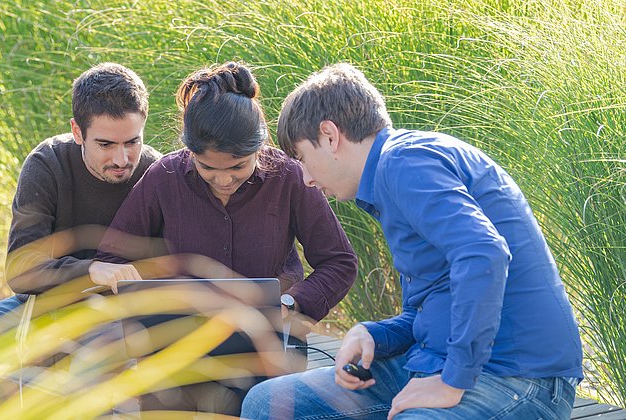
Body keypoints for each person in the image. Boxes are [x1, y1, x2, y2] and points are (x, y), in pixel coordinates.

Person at [241, 63, 583, 419]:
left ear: (329, 135)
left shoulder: (404, 162)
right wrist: (376, 334)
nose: (307, 179)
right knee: (265, 404)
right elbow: (437, 303)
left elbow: (484, 253)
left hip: (516, 377)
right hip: (437, 360)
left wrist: (453, 381)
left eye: (303, 159)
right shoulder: (394, 174)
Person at [95, 61, 358, 415]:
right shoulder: (163, 178)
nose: (223, 180)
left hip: (270, 354)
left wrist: (293, 306)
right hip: (176, 360)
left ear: (259, 147)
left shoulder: (289, 177)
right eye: (208, 169)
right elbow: (111, 259)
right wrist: (135, 290)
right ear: (189, 151)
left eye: (237, 167)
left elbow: (339, 262)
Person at [0, 62, 162, 367]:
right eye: (105, 144)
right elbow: (21, 269)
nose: (121, 158)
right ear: (77, 131)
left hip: (119, 320)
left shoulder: (158, 173)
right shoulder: (48, 162)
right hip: (37, 307)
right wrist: (91, 270)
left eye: (133, 142)